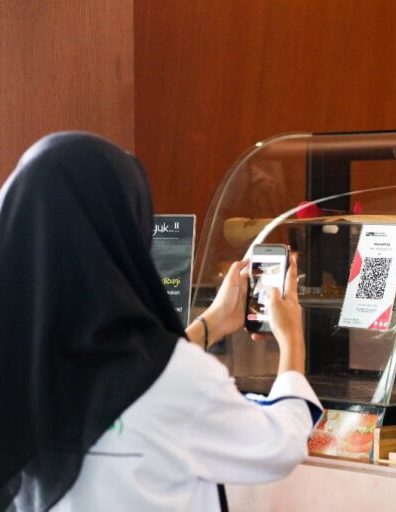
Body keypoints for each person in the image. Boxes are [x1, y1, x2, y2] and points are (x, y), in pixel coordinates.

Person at [0, 132, 322, 511]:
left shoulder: (18, 364)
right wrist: (292, 340)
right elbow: (278, 446)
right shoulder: (175, 378)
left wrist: (211, 324)